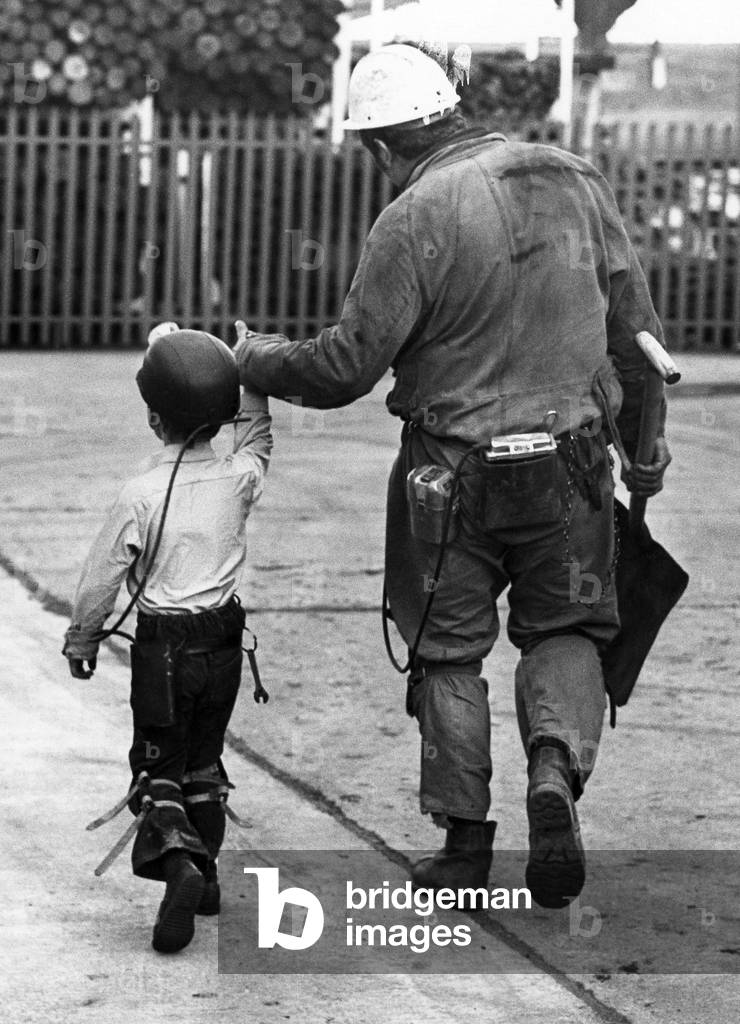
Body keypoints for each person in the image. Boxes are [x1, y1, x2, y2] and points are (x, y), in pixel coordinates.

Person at [235, 44, 672, 908]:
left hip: (451, 481)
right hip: (573, 470)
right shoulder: (577, 181)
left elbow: (345, 367)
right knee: (568, 633)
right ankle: (553, 767)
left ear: (378, 144)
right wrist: (645, 458)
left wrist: (253, 355)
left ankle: (465, 849)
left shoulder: (412, 216)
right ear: (454, 103)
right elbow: (637, 336)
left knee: (447, 654)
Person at [62, 325, 272, 951]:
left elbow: (102, 578)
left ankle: (179, 867)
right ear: (224, 413)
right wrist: (249, 369)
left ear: (154, 420)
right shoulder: (240, 478)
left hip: (164, 651)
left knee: (159, 768)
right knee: (205, 761)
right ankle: (205, 875)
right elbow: (258, 434)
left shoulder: (140, 495)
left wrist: (84, 638)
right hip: (225, 645)